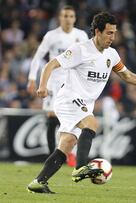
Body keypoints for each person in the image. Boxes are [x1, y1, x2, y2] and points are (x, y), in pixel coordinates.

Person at [27, 11, 136, 194]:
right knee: (92, 123)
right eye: (109, 33)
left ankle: (38, 182)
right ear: (97, 31)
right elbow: (51, 64)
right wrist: (42, 86)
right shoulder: (80, 50)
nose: (113, 37)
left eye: (114, 33)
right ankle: (80, 167)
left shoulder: (111, 55)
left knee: (67, 143)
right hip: (68, 99)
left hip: (83, 104)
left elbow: (128, 77)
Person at [27, 5, 88, 167]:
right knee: (52, 117)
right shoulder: (51, 36)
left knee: (74, 118)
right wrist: (32, 78)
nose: (68, 19)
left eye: (71, 16)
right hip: (53, 82)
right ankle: (51, 156)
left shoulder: (81, 35)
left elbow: (87, 58)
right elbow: (39, 56)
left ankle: (71, 154)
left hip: (72, 82)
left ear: (74, 19)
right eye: (65, 16)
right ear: (60, 18)